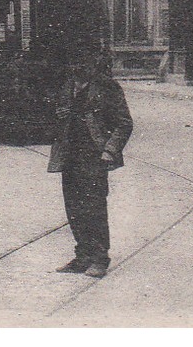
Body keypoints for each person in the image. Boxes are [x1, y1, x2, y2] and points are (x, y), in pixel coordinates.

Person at [48, 54, 134, 279]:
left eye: (83, 62)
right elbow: (53, 119)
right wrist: (58, 117)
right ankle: (82, 255)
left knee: (94, 206)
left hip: (95, 156)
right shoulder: (67, 86)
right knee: (74, 208)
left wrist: (110, 150)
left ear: (93, 63)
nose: (78, 66)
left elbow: (124, 123)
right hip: (69, 155)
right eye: (74, 62)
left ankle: (99, 258)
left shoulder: (107, 87)